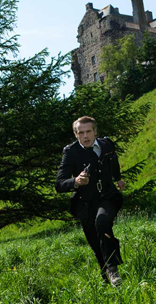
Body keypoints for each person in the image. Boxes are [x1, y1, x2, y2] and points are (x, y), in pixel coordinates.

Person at [55, 116, 126, 286]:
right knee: (96, 244)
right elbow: (59, 184)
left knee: (102, 222)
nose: (85, 136)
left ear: (95, 131)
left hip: (108, 196)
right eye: (81, 133)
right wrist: (76, 182)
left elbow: (114, 162)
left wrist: (118, 178)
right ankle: (108, 282)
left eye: (88, 131)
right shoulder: (70, 152)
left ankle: (112, 269)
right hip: (85, 203)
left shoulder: (107, 144)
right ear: (75, 134)